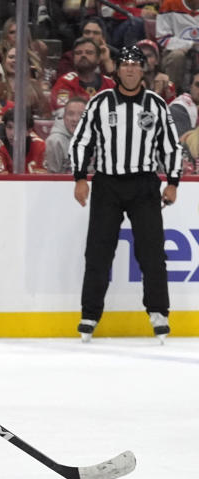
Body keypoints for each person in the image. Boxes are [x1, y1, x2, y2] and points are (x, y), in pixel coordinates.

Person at [70, 46, 182, 343]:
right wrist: (80, 177)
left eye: (135, 64)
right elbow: (81, 141)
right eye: (125, 64)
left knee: (152, 252)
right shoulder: (100, 103)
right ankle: (90, 314)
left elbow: (170, 146)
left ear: (142, 69)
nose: (130, 69)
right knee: (98, 251)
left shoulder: (156, 105)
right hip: (107, 183)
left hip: (144, 185)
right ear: (116, 69)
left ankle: (159, 313)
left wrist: (172, 182)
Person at [50, 37, 116, 117]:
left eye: (89, 52)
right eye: (78, 53)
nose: (83, 55)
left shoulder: (109, 84)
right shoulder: (65, 83)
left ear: (98, 59)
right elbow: (64, 116)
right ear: (73, 59)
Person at [0, 109, 46, 174]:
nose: (12, 133)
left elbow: (42, 181)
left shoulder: (39, 146)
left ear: (29, 131)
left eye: (18, 128)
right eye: (9, 127)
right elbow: (1, 182)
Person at [44, 95, 86, 174]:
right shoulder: (55, 142)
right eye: (70, 114)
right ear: (64, 117)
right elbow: (50, 179)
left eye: (81, 115)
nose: (75, 119)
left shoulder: (100, 139)